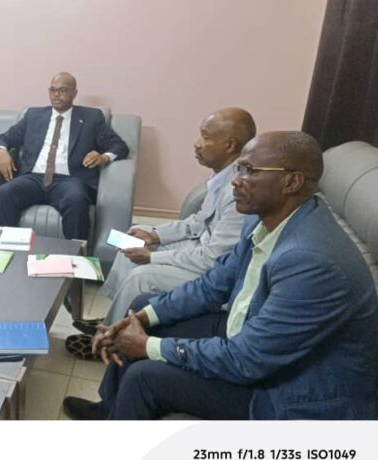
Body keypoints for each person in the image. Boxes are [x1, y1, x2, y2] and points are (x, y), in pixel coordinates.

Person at [62, 131, 378, 420]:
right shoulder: (263, 220)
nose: (236, 181)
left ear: (291, 182)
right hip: (248, 334)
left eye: (249, 170)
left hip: (292, 391)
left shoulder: (311, 262)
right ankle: (110, 409)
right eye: (239, 169)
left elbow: (248, 360)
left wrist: (149, 347)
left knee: (144, 377)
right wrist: (141, 318)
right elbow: (212, 286)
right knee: (143, 306)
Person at [66, 108, 255, 359]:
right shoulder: (222, 176)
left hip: (209, 269)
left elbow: (212, 259)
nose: (197, 144)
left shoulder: (238, 191)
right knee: (131, 241)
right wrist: (155, 235)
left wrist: (152, 257)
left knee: (141, 277)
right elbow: (198, 221)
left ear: (229, 145)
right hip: (196, 247)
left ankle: (109, 344)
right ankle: (114, 321)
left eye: (205, 137)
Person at [0, 72, 129, 240]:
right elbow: (3, 138)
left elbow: (119, 146)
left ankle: (76, 253)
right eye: (52, 90)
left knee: (76, 200)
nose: (56, 95)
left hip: (69, 180)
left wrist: (103, 157)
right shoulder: (33, 116)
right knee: (3, 193)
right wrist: (1, 151)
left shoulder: (91, 118)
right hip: (33, 178)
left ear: (74, 93)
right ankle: (4, 248)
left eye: (63, 90)